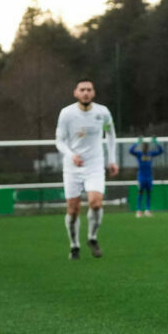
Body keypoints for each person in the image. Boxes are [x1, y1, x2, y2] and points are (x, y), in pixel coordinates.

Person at [55, 79, 118, 260]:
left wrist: (112, 159)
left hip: (95, 165)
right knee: (73, 210)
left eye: (89, 90)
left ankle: (92, 237)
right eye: (82, 90)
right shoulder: (66, 114)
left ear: (94, 93)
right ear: (76, 93)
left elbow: (111, 133)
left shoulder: (102, 112)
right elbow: (59, 141)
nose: (85, 93)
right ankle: (74, 245)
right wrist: (71, 155)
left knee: (96, 203)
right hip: (72, 167)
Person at [129, 137, 164, 217]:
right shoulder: (139, 154)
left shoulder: (150, 154)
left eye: (146, 146)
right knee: (140, 192)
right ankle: (138, 210)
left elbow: (161, 151)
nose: (145, 148)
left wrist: (156, 142)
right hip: (141, 176)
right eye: (143, 146)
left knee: (148, 193)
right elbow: (130, 150)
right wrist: (137, 142)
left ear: (148, 147)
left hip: (149, 177)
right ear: (142, 147)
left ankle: (147, 210)